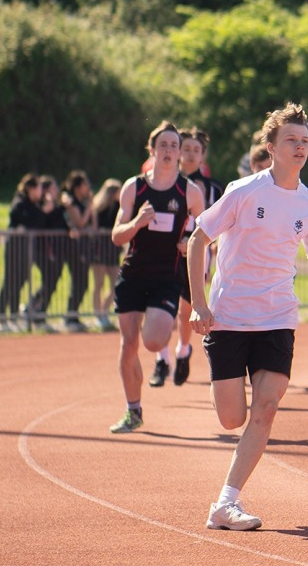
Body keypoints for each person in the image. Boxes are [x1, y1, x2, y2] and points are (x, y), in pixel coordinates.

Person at [187, 102, 308, 531]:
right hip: (230, 317)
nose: (300, 147)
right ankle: (226, 497)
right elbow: (199, 239)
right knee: (232, 418)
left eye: (305, 141)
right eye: (291, 140)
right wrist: (199, 302)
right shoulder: (243, 191)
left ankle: (225, 502)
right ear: (270, 147)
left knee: (266, 408)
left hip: (278, 317)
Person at [108, 120, 205, 434]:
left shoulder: (190, 191)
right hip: (133, 273)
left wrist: (189, 246)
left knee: (151, 341)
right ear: (152, 150)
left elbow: (205, 235)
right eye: (163, 145)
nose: (169, 151)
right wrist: (137, 222)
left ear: (179, 154)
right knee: (128, 344)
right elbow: (116, 236)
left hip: (167, 277)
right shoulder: (133, 187)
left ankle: (168, 342)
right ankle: (133, 411)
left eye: (174, 146)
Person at [150, 126, 224, 388]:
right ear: (180, 152)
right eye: (187, 149)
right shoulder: (165, 180)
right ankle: (161, 359)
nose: (191, 154)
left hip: (196, 254)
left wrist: (201, 243)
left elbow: (219, 222)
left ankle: (183, 351)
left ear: (203, 156)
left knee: (184, 311)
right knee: (159, 308)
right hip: (164, 254)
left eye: (196, 150)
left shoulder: (214, 189)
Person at [0, 173, 45, 333]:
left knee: (20, 280)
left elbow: (37, 223)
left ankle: (13, 317)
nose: (40, 191)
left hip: (25, 248)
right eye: (38, 188)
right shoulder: (19, 202)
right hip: (14, 246)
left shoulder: (34, 205)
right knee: (10, 280)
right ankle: (2, 318)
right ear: (31, 188)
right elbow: (20, 221)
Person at [28, 175, 67, 332]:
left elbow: (61, 221)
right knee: (49, 278)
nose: (56, 190)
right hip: (42, 248)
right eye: (53, 187)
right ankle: (36, 310)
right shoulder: (40, 205)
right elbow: (41, 223)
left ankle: (37, 309)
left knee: (52, 280)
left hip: (56, 249)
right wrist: (48, 207)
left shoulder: (57, 206)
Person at [60, 170, 96, 332]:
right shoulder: (70, 200)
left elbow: (93, 226)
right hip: (72, 247)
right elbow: (80, 222)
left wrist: (91, 206)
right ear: (78, 186)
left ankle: (73, 315)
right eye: (85, 184)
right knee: (78, 281)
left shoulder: (84, 202)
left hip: (84, 246)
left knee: (83, 283)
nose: (88, 187)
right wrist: (89, 205)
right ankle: (70, 316)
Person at [91, 178, 123, 331]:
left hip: (113, 249)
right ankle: (98, 315)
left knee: (115, 283)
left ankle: (104, 311)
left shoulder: (120, 207)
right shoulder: (98, 208)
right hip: (100, 248)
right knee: (99, 283)